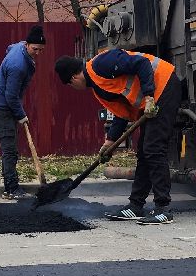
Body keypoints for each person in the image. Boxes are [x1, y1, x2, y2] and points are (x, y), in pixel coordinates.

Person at [54, 48, 183, 224]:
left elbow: (142, 63)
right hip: (152, 99)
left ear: (73, 78)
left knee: (153, 149)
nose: (74, 88)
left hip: (164, 87)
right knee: (144, 153)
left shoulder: (101, 64)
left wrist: (149, 97)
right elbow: (122, 114)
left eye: (70, 85)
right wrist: (109, 142)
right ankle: (136, 205)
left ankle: (163, 209)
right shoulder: (98, 86)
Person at [0, 24, 47, 199]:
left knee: (11, 148)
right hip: (1, 107)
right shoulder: (18, 65)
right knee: (10, 150)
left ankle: (11, 186)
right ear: (27, 45)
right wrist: (21, 115)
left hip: (7, 103)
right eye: (35, 49)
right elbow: (11, 96)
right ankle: (11, 189)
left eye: (41, 50)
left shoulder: (19, 47)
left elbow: (9, 47)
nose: (38, 53)